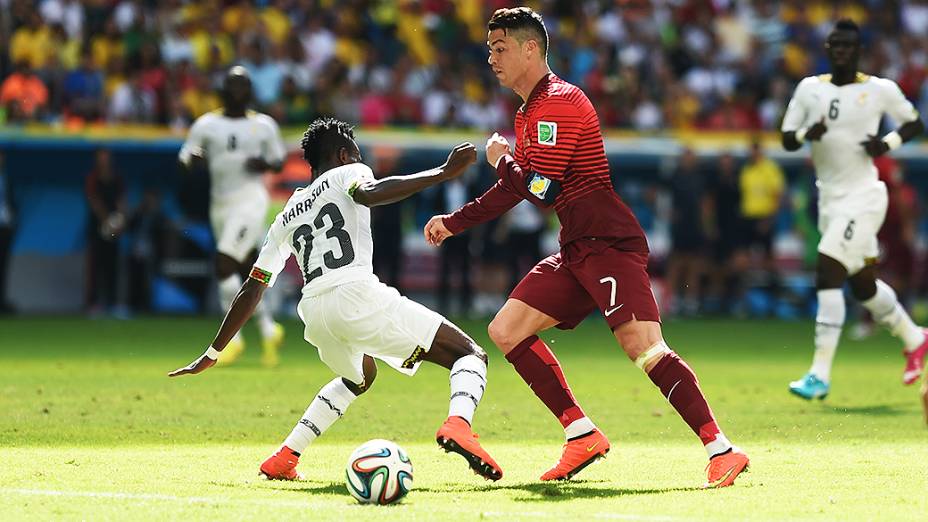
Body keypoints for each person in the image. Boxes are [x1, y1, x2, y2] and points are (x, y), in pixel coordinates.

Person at [424, 7, 748, 487]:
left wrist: (501, 160)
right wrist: (454, 223)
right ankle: (581, 433)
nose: (490, 58)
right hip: (578, 246)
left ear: (530, 48)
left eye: (499, 48)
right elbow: (519, 188)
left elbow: (542, 191)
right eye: (488, 49)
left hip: (608, 243)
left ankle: (721, 448)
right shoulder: (528, 111)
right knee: (507, 329)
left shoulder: (558, 102)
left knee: (642, 346)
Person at [169, 118, 503, 483]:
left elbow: (253, 287)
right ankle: (458, 425)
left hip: (314, 311)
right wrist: (442, 171)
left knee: (359, 377)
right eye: (357, 151)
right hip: (355, 294)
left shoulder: (288, 212)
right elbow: (369, 193)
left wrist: (214, 351)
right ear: (344, 154)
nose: (362, 157)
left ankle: (285, 456)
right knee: (469, 354)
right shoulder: (349, 172)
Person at [781, 19, 928, 400]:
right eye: (835, 45)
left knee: (827, 268)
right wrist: (804, 135)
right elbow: (786, 138)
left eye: (848, 45)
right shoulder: (809, 89)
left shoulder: (879, 90)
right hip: (829, 198)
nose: (841, 51)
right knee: (862, 286)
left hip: (864, 196)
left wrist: (886, 143)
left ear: (858, 50)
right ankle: (916, 337)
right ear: (827, 50)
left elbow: (914, 123)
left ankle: (819, 374)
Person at [178, 66, 286, 368]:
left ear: (250, 93)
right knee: (249, 267)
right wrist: (192, 162)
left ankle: (233, 341)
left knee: (224, 262)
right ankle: (268, 328)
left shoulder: (264, 125)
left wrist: (263, 163)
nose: (237, 93)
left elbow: (278, 161)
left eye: (243, 87)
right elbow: (185, 157)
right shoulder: (206, 124)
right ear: (222, 91)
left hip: (251, 201)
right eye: (232, 86)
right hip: (220, 204)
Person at [84, 148, 126, 315]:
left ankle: (114, 303)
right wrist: (106, 221)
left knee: (113, 266)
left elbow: (121, 201)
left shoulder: (117, 178)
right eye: (101, 157)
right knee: (95, 266)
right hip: (97, 228)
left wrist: (119, 220)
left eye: (106, 157)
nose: (104, 160)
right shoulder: (92, 178)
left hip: (114, 229)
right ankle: (93, 304)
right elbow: (93, 200)